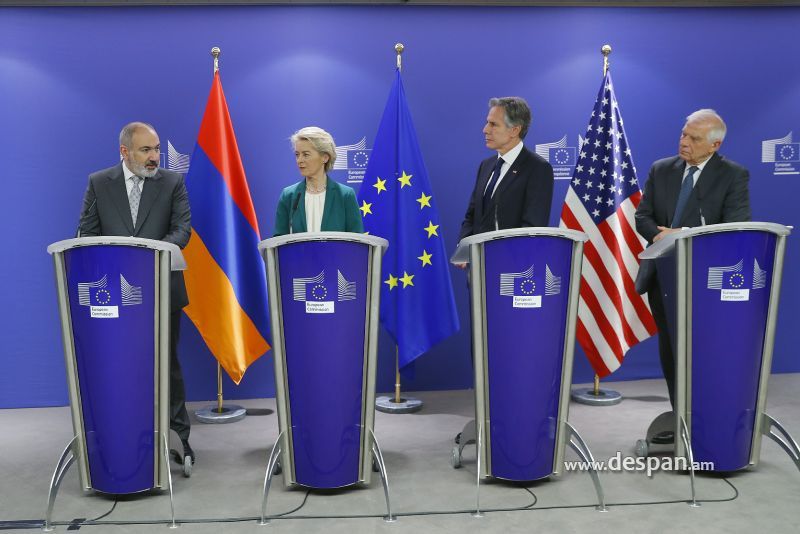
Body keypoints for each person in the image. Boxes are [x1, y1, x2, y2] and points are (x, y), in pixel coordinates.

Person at [78, 122, 195, 464]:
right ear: (124, 151)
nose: (154, 156)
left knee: (167, 366)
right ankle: (123, 435)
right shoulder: (99, 182)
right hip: (114, 296)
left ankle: (179, 439)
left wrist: (146, 259)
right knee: (119, 366)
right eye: (146, 150)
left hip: (162, 291)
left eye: (156, 149)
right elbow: (87, 233)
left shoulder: (172, 182)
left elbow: (182, 231)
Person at [635, 109, 751, 440]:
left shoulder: (733, 175)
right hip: (664, 278)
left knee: (704, 355)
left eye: (694, 138)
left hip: (706, 282)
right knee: (672, 352)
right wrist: (660, 236)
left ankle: (708, 424)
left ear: (715, 145)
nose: (684, 142)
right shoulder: (662, 169)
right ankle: (682, 422)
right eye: (684, 134)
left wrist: (683, 234)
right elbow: (643, 216)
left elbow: (735, 225)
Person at [457, 96, 554, 248]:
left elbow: (532, 228)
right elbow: (471, 216)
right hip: (477, 259)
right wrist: (464, 249)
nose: (485, 130)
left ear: (514, 130)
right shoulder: (486, 165)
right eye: (487, 123)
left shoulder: (538, 168)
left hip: (511, 261)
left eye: (493, 124)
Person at [274, 126, 363, 236]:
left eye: (306, 154)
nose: (299, 160)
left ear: (325, 157)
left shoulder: (345, 195)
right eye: (297, 155)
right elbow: (278, 240)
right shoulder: (289, 195)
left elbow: (356, 241)